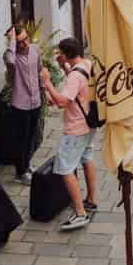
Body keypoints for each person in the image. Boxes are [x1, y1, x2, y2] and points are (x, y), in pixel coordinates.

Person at [43, 38, 100, 229]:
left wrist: (47, 82)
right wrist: (64, 67)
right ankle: (91, 199)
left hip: (76, 128)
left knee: (66, 169)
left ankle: (80, 213)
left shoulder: (75, 76)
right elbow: (79, 88)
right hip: (89, 124)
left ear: (66, 54)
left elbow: (61, 102)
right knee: (87, 157)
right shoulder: (87, 64)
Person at [1, 26, 44, 181]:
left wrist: (43, 91)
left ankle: (26, 164)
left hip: (36, 100)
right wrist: (12, 41)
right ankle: (20, 173)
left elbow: (40, 70)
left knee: (31, 136)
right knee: (22, 138)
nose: (25, 43)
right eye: (21, 41)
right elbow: (9, 60)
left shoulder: (35, 50)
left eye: (26, 38)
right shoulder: (12, 57)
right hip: (20, 103)